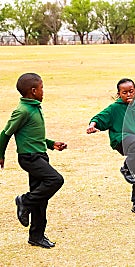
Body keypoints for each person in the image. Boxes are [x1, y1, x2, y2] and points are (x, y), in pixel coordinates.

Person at [0, 73, 67, 249]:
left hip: (39, 155)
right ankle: (24, 201)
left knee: (41, 198)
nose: (43, 91)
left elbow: (33, 136)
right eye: (42, 88)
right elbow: (5, 133)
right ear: (33, 91)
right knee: (55, 180)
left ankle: (36, 236)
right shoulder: (22, 111)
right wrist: (1, 155)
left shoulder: (35, 107)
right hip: (29, 158)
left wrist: (52, 144)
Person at [87, 78, 135, 216]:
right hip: (121, 141)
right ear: (119, 93)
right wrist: (92, 125)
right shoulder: (114, 108)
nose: (128, 94)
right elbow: (99, 118)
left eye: (131, 91)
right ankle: (126, 168)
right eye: (124, 92)